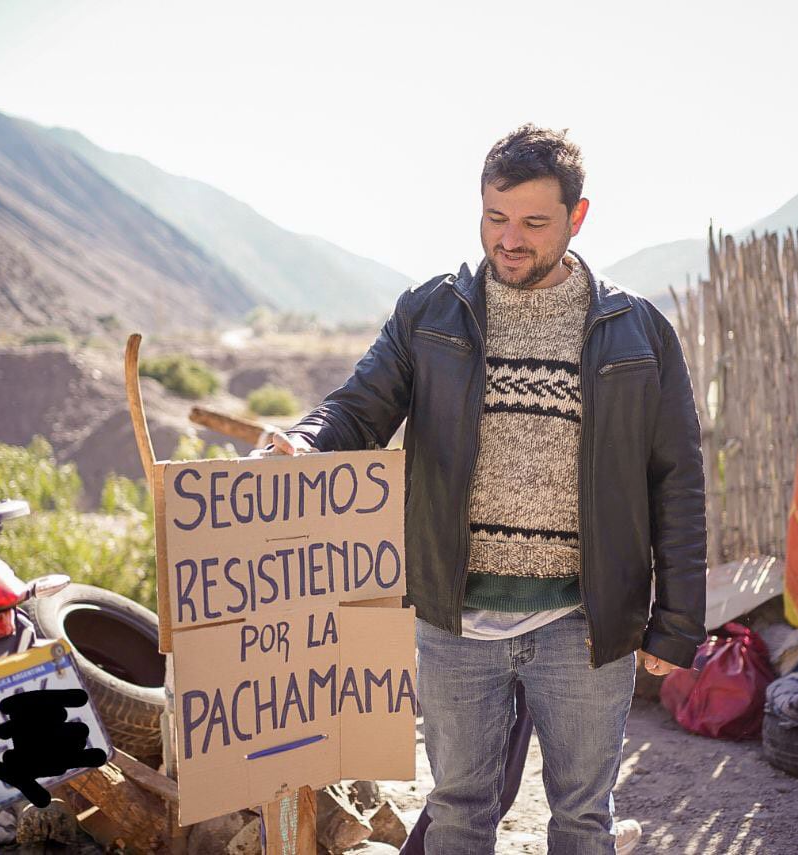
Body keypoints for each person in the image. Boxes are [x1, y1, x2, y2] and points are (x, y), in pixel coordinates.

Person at [259, 124, 707, 855]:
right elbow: (358, 407)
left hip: (584, 622)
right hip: (455, 619)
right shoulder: (431, 314)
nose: (510, 239)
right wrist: (305, 441)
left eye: (534, 222)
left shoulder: (639, 331)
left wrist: (679, 621)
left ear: (578, 217)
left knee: (583, 816)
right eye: (496, 218)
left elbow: (678, 479)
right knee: (460, 810)